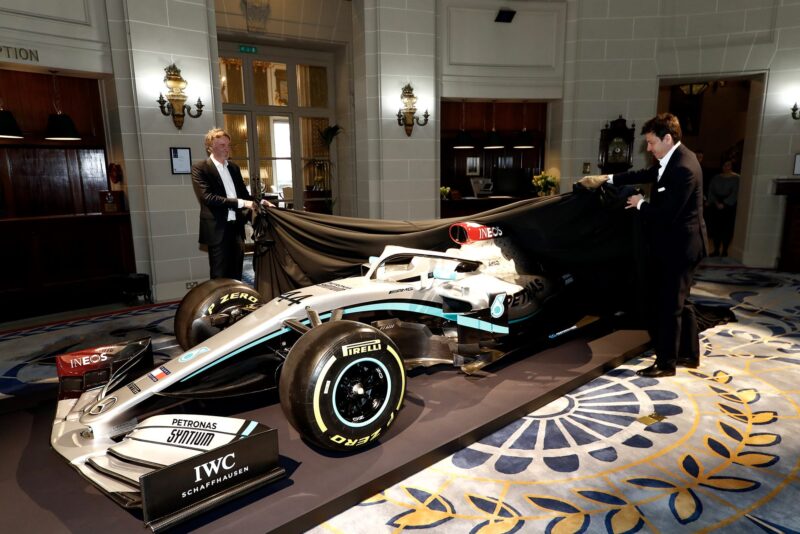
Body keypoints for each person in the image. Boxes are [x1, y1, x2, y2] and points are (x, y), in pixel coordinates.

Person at [579, 113, 707, 378]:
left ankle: (666, 363)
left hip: (680, 248)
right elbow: (646, 173)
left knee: (669, 306)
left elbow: (667, 215)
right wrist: (608, 179)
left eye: (651, 143)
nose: (648, 148)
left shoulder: (683, 167)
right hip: (681, 244)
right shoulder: (674, 158)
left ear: (667, 138)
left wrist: (640, 204)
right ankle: (688, 354)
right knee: (683, 303)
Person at [192, 128, 270, 280]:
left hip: (236, 227)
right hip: (217, 229)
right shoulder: (200, 168)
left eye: (228, 145)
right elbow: (209, 198)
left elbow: (245, 195)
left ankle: (236, 303)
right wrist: (243, 203)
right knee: (219, 275)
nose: (226, 148)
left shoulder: (234, 168)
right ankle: (221, 303)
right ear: (210, 147)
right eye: (222, 145)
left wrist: (260, 202)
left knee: (236, 272)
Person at [706, 159, 739, 257]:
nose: (726, 167)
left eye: (728, 165)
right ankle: (716, 249)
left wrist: (725, 203)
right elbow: (711, 190)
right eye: (724, 165)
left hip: (729, 206)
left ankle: (725, 249)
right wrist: (715, 202)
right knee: (716, 228)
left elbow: (736, 193)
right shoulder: (716, 177)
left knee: (727, 228)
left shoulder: (736, 178)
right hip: (716, 204)